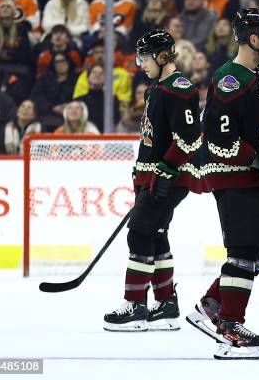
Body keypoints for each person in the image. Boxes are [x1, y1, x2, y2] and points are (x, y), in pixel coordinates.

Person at [185, 8, 259, 360]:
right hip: (233, 174)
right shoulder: (229, 79)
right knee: (244, 248)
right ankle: (229, 329)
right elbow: (219, 138)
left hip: (254, 175)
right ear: (253, 38)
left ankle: (212, 305)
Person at [102, 29, 202, 332]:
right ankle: (166, 305)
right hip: (155, 175)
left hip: (170, 177)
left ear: (161, 57)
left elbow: (189, 139)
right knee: (156, 233)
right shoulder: (156, 88)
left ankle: (135, 306)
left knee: (140, 233)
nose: (140, 64)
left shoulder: (180, 89)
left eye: (144, 57)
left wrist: (165, 171)